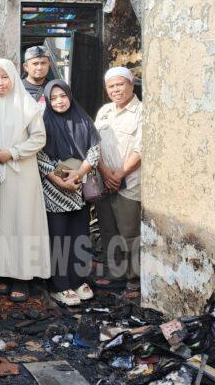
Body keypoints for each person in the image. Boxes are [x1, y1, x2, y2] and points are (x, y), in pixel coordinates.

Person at [0, 58, 49, 303]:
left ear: (14, 77)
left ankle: (22, 277)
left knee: (21, 223)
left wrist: (13, 152)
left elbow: (39, 138)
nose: (0, 83)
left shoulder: (27, 104)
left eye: (4, 77)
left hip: (21, 174)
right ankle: (2, 271)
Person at [38, 80, 100, 306]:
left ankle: (78, 280)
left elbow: (94, 150)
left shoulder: (83, 119)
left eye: (62, 96)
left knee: (79, 234)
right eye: (53, 98)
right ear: (47, 100)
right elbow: (39, 156)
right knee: (58, 238)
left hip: (79, 186)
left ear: (69, 96)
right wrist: (61, 180)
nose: (59, 101)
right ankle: (59, 285)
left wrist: (78, 173)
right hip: (54, 191)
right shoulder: (43, 122)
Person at [93, 67, 142, 286]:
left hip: (129, 182)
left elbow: (141, 149)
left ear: (131, 85)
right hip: (104, 180)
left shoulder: (142, 112)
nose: (116, 90)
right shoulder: (104, 112)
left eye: (120, 84)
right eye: (111, 86)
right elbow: (94, 145)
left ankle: (134, 278)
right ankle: (115, 273)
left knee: (129, 231)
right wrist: (105, 173)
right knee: (108, 229)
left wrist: (120, 174)